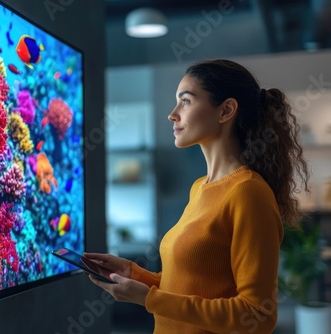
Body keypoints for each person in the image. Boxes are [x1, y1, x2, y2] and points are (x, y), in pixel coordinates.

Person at [85, 59, 310, 334]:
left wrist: (148, 299)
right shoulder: (199, 188)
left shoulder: (249, 192)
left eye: (186, 101)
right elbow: (190, 285)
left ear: (226, 110)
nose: (173, 114)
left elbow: (257, 315)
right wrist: (135, 274)